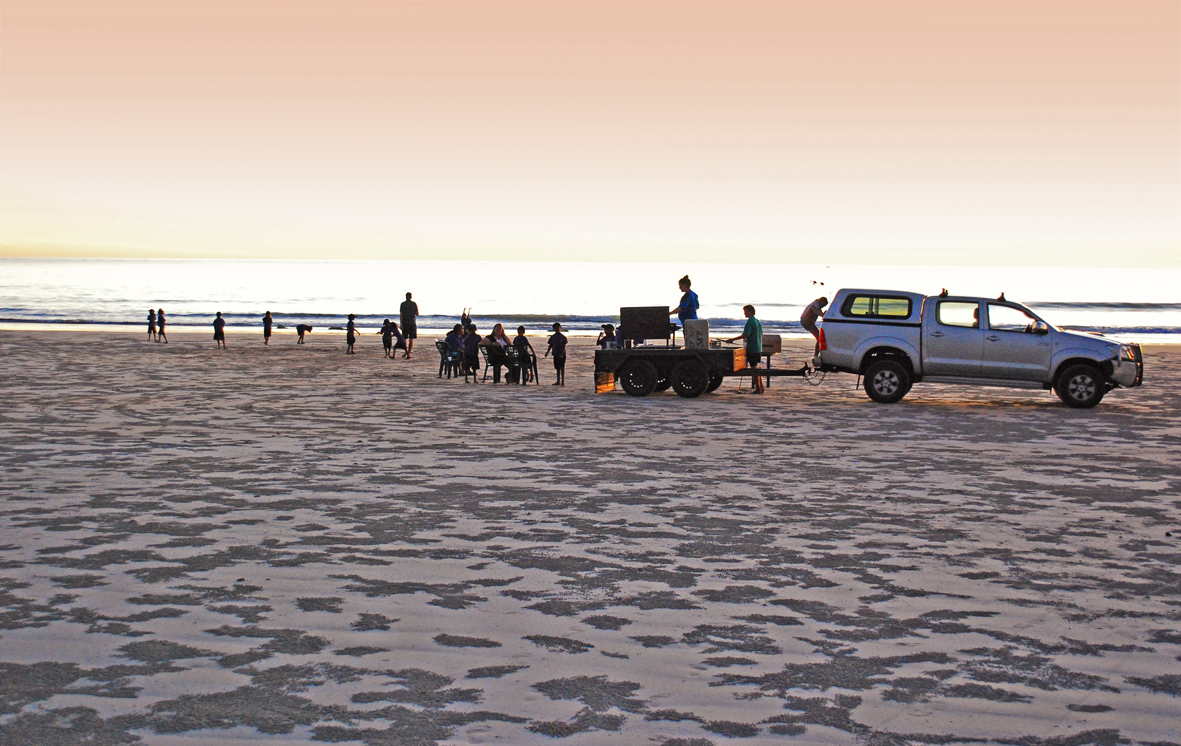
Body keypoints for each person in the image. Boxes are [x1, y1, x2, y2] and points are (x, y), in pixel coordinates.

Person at [727, 304, 764, 394]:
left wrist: (732, 339)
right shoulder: (757, 321)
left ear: (750, 312)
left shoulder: (750, 322)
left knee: (754, 368)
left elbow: (746, 334)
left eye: (746, 311)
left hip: (752, 348)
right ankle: (761, 387)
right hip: (758, 347)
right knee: (756, 367)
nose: (744, 313)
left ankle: (758, 389)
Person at [545, 322, 568, 386]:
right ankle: (558, 381)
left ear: (560, 328)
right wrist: (547, 352)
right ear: (553, 329)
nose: (557, 329)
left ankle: (562, 381)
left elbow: (563, 346)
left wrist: (561, 353)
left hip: (562, 354)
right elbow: (550, 345)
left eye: (558, 328)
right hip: (555, 354)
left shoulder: (563, 337)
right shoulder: (553, 337)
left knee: (562, 367)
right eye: (556, 328)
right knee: (557, 368)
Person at [400, 292, 419, 358]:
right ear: (411, 297)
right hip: (412, 323)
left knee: (405, 338)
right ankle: (408, 353)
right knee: (411, 339)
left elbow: (401, 314)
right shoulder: (414, 304)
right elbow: (417, 313)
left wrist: (401, 323)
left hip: (405, 323)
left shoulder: (403, 304)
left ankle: (406, 352)